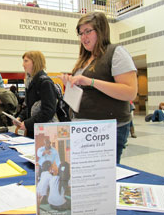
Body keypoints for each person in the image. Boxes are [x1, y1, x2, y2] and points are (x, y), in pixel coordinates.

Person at [59, 12, 137, 164]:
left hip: (105, 130)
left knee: (101, 180)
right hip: (82, 128)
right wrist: (70, 84)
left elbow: (130, 92)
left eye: (88, 31)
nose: (83, 37)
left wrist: (90, 81)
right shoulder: (85, 59)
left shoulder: (115, 53)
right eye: (81, 33)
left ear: (101, 30)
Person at [14, 51, 57, 138]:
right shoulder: (30, 82)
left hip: (45, 132)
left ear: (35, 62)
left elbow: (48, 111)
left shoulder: (45, 82)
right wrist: (20, 118)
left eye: (26, 61)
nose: (23, 64)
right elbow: (28, 106)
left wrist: (27, 123)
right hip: (34, 130)